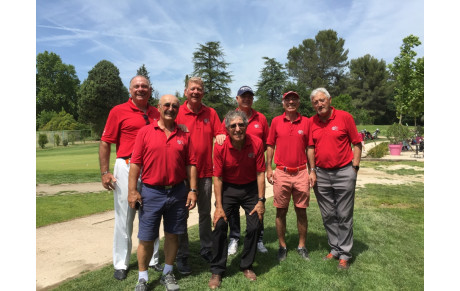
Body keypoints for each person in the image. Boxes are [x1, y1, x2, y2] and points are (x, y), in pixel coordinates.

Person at [128, 94, 198, 291]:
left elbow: (190, 164)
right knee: (146, 237)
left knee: (173, 235)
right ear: (158, 107)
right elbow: (135, 164)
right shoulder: (145, 132)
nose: (170, 108)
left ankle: (168, 272)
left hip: (177, 192)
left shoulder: (184, 134)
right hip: (151, 192)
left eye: (175, 106)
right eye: (166, 105)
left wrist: (192, 190)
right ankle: (142, 277)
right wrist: (133, 191)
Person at [99, 75, 163, 281]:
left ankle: (153, 259)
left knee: (152, 215)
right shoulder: (118, 111)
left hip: (152, 167)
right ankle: (121, 263)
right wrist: (104, 172)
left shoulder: (156, 112)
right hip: (126, 165)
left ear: (150, 90)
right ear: (130, 90)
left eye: (145, 86)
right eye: (137, 86)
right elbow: (105, 142)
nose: (141, 89)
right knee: (125, 217)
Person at [208, 111, 266, 289]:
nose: (237, 129)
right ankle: (217, 270)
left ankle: (246, 265)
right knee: (219, 225)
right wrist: (218, 205)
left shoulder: (256, 143)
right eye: (233, 126)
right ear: (227, 129)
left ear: (246, 126)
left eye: (241, 125)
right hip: (228, 188)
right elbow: (217, 177)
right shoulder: (220, 146)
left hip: (250, 189)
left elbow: (260, 173)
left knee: (255, 225)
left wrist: (261, 200)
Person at [308, 87, 362, 270]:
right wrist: (312, 170)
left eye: (322, 100)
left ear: (329, 100)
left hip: (344, 172)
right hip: (321, 174)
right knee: (328, 214)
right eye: (315, 102)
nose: (319, 104)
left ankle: (345, 253)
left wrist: (354, 167)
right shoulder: (311, 122)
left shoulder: (345, 117)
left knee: (344, 214)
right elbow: (310, 148)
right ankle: (335, 248)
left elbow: (357, 143)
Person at [175, 76, 221, 274]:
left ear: (203, 92)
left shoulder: (210, 113)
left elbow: (220, 134)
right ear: (186, 92)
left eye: (199, 89)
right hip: (181, 175)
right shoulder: (177, 112)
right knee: (181, 215)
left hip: (205, 173)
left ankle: (206, 248)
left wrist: (221, 136)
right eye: (192, 89)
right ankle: (182, 254)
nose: (195, 92)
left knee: (204, 213)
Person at [215, 85, 269, 255]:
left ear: (252, 99)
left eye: (249, 96)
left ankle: (258, 239)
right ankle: (235, 237)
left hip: (252, 167)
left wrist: (256, 157)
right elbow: (220, 136)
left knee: (256, 212)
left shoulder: (261, 118)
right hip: (232, 171)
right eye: (243, 96)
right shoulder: (229, 118)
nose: (246, 99)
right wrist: (220, 137)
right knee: (230, 214)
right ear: (237, 99)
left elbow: (266, 142)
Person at [266, 91, 312, 262]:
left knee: (301, 211)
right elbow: (270, 145)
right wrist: (268, 169)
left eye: (294, 99)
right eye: (287, 99)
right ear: (283, 102)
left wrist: (311, 170)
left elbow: (310, 147)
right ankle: (282, 246)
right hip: (282, 172)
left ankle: (301, 245)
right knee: (281, 210)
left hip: (301, 172)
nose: (291, 102)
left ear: (299, 102)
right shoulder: (276, 121)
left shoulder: (306, 122)